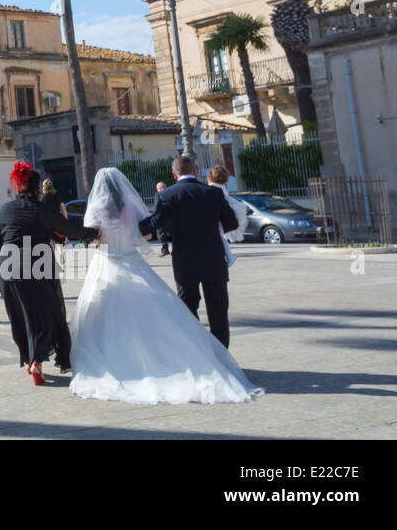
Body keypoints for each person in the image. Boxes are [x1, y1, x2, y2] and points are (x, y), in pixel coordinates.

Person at [70, 167, 264, 404]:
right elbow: (147, 234)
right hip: (151, 261)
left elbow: (94, 237)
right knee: (206, 312)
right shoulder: (131, 207)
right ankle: (213, 357)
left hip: (110, 264)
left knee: (106, 315)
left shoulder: (98, 209)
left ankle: (124, 360)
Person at [0, 162, 97, 385]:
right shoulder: (40, 209)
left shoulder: (4, 209)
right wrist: (94, 232)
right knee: (49, 314)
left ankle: (32, 360)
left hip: (6, 267)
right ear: (34, 187)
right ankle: (36, 362)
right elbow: (68, 229)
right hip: (36, 262)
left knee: (22, 316)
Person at [141, 155, 242, 349]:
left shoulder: (167, 195)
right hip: (213, 260)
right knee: (218, 312)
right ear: (194, 171)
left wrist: (125, 227)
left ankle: (198, 352)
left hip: (185, 261)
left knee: (188, 310)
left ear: (174, 174)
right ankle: (222, 356)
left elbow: (154, 224)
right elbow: (232, 223)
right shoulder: (213, 193)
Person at [207, 165, 249, 267]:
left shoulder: (212, 189)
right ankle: (229, 255)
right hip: (223, 214)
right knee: (222, 236)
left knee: (220, 236)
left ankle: (229, 255)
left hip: (217, 215)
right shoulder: (222, 188)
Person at [154, 181, 169, 254]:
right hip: (172, 217)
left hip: (162, 218)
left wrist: (154, 215)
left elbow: (156, 206)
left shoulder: (158, 194)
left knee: (160, 233)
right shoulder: (170, 192)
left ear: (158, 189)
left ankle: (165, 249)